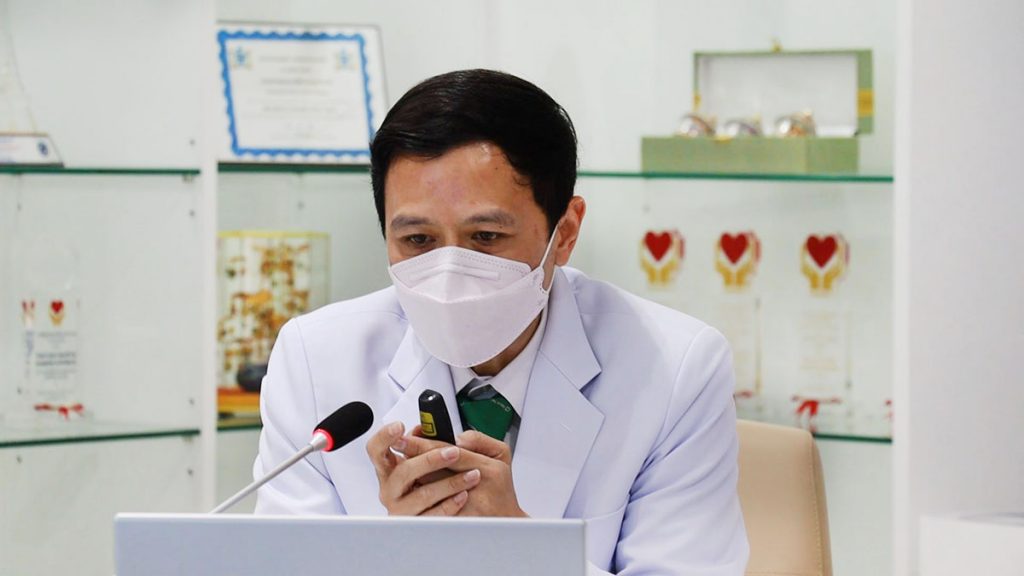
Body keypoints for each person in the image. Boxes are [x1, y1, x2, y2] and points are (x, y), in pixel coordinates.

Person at [254, 68, 749, 575]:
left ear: (565, 232)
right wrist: (392, 551)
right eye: (418, 240)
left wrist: (518, 546)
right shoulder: (315, 360)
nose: (448, 273)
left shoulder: (677, 369)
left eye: (486, 237)